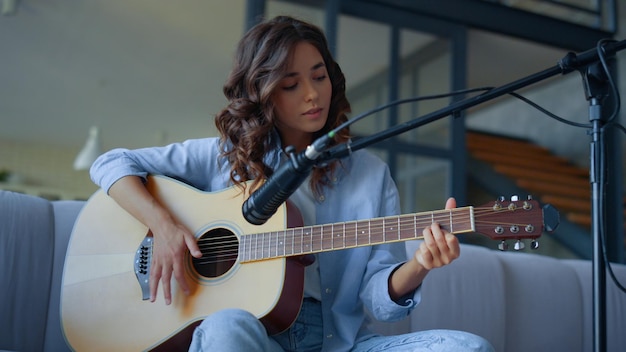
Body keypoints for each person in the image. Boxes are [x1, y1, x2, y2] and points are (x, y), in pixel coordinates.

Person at [90, 15, 494, 352]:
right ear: (262, 92)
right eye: (291, 84)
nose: (312, 94)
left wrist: (420, 265)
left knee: (469, 348)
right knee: (225, 328)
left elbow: (378, 300)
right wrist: (163, 227)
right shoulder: (225, 154)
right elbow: (111, 162)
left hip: (340, 342)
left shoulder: (370, 174)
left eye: (320, 77)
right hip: (255, 338)